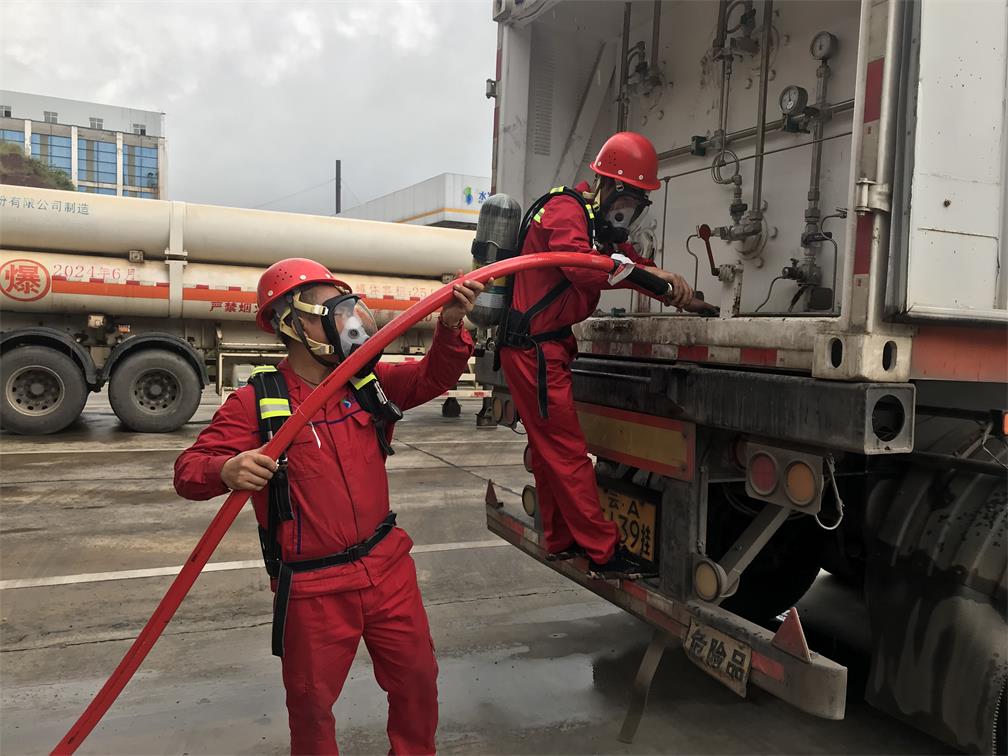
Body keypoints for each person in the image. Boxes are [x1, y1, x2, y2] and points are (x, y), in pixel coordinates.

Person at [174, 257, 484, 755]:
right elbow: (188, 471)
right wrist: (225, 470)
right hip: (313, 588)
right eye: (331, 312)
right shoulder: (255, 402)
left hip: (387, 569)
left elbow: (434, 376)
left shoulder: (366, 384)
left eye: (347, 308)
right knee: (312, 707)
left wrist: (450, 326)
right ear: (289, 324)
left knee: (418, 681)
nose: (348, 321)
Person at [498, 131, 694, 580]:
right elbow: (582, 269)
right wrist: (652, 276)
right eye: (627, 201)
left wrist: (676, 291)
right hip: (534, 351)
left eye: (637, 206)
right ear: (609, 186)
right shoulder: (566, 209)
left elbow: (630, 263)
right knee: (566, 452)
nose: (627, 213)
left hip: (544, 349)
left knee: (549, 450)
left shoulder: (595, 226)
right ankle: (603, 553)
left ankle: (560, 539)